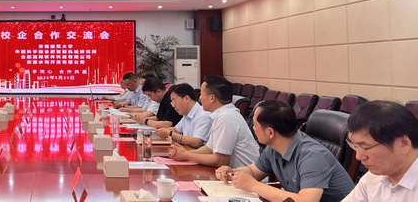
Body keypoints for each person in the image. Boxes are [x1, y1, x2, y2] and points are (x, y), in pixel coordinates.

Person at [216, 100, 354, 202]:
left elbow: (306, 201)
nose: (253, 128)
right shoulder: (274, 148)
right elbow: (253, 171)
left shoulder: (313, 156)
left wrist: (254, 186)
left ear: (270, 132)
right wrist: (233, 173)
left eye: (255, 125)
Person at [168, 75, 259, 168]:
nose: (200, 98)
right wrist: (185, 153)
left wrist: (187, 155)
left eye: (201, 94)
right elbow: (209, 148)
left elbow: (220, 160)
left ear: (212, 98)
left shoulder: (225, 118)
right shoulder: (221, 114)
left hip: (247, 174)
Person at [342, 100, 418, 201]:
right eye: (355, 146)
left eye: (365, 147)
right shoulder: (373, 177)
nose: (358, 156)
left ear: (403, 144)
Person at [156, 83, 211, 148]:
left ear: (186, 99)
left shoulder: (203, 115)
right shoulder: (186, 114)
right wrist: (159, 131)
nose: (173, 106)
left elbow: (196, 142)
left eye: (174, 101)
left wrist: (170, 134)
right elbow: (176, 130)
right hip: (188, 150)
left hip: (197, 152)